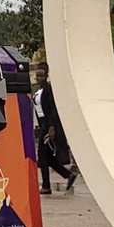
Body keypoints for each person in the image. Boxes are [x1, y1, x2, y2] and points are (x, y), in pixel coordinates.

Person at [33, 63, 76, 195]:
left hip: (48, 125)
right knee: (47, 157)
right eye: (37, 76)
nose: (38, 78)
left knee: (42, 156)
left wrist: (51, 128)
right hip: (42, 125)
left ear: (46, 76)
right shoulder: (38, 91)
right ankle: (68, 175)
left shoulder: (49, 90)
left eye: (41, 75)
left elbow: (53, 110)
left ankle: (46, 186)